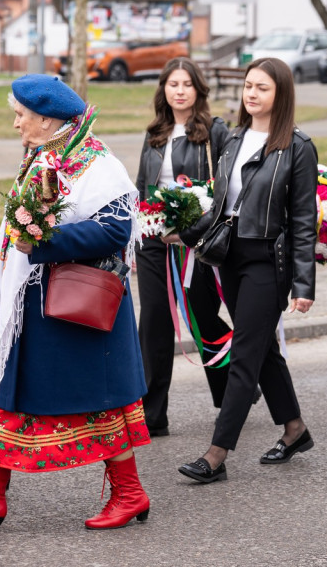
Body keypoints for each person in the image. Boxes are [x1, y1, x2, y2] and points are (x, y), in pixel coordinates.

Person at [0, 74, 151, 530]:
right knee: (11, 396)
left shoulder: (95, 162)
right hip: (35, 303)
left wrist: (43, 241)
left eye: (21, 115)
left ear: (48, 118)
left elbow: (116, 229)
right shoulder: (46, 157)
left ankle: (129, 493)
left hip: (75, 307)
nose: (15, 124)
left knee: (100, 405)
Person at [177, 57, 317, 485]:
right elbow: (224, 204)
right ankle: (295, 430)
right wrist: (185, 230)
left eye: (262, 88)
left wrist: (303, 282)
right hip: (229, 257)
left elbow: (303, 219)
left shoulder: (297, 146)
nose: (252, 94)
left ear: (281, 95)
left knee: (245, 351)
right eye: (248, 86)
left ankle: (216, 454)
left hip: (267, 262)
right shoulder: (234, 139)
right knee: (263, 349)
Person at [135, 57, 232, 436]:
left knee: (204, 319)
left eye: (186, 84)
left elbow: (223, 188)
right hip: (155, 242)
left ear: (198, 90)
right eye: (172, 84)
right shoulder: (154, 133)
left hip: (196, 242)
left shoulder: (215, 131)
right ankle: (152, 415)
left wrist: (194, 226)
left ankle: (235, 391)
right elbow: (144, 187)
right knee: (154, 323)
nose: (179, 90)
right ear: (164, 90)